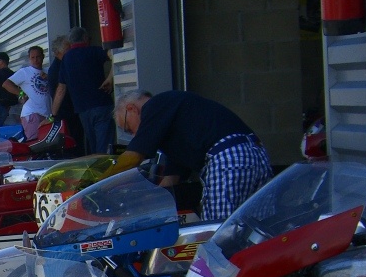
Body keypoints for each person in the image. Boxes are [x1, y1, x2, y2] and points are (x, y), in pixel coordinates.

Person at [109, 89, 273, 221]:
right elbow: (171, 179)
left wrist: (102, 184)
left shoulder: (153, 106)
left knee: (217, 232)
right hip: (256, 154)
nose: (133, 135)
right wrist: (152, 202)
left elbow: (133, 158)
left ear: (131, 109)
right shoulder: (175, 122)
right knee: (256, 226)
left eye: (128, 128)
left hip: (228, 158)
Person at [51, 26, 114, 154]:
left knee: (94, 147)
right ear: (85, 38)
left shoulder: (66, 59)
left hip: (83, 111)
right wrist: (110, 78)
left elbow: (61, 90)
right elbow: (115, 55)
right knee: (105, 147)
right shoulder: (94, 51)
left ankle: (97, 165)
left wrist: (52, 115)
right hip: (102, 106)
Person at [3, 46, 51, 140]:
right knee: (34, 141)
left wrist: (49, 78)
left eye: (38, 57)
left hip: (47, 114)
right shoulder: (25, 72)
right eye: (33, 57)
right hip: (32, 113)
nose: (35, 60)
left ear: (43, 57)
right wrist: (21, 93)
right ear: (29, 58)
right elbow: (6, 84)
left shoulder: (48, 71)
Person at [47, 34, 84, 156]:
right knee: (73, 145)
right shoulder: (58, 68)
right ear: (58, 52)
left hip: (70, 112)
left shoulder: (63, 65)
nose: (71, 51)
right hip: (66, 113)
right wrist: (53, 116)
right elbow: (60, 91)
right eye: (68, 49)